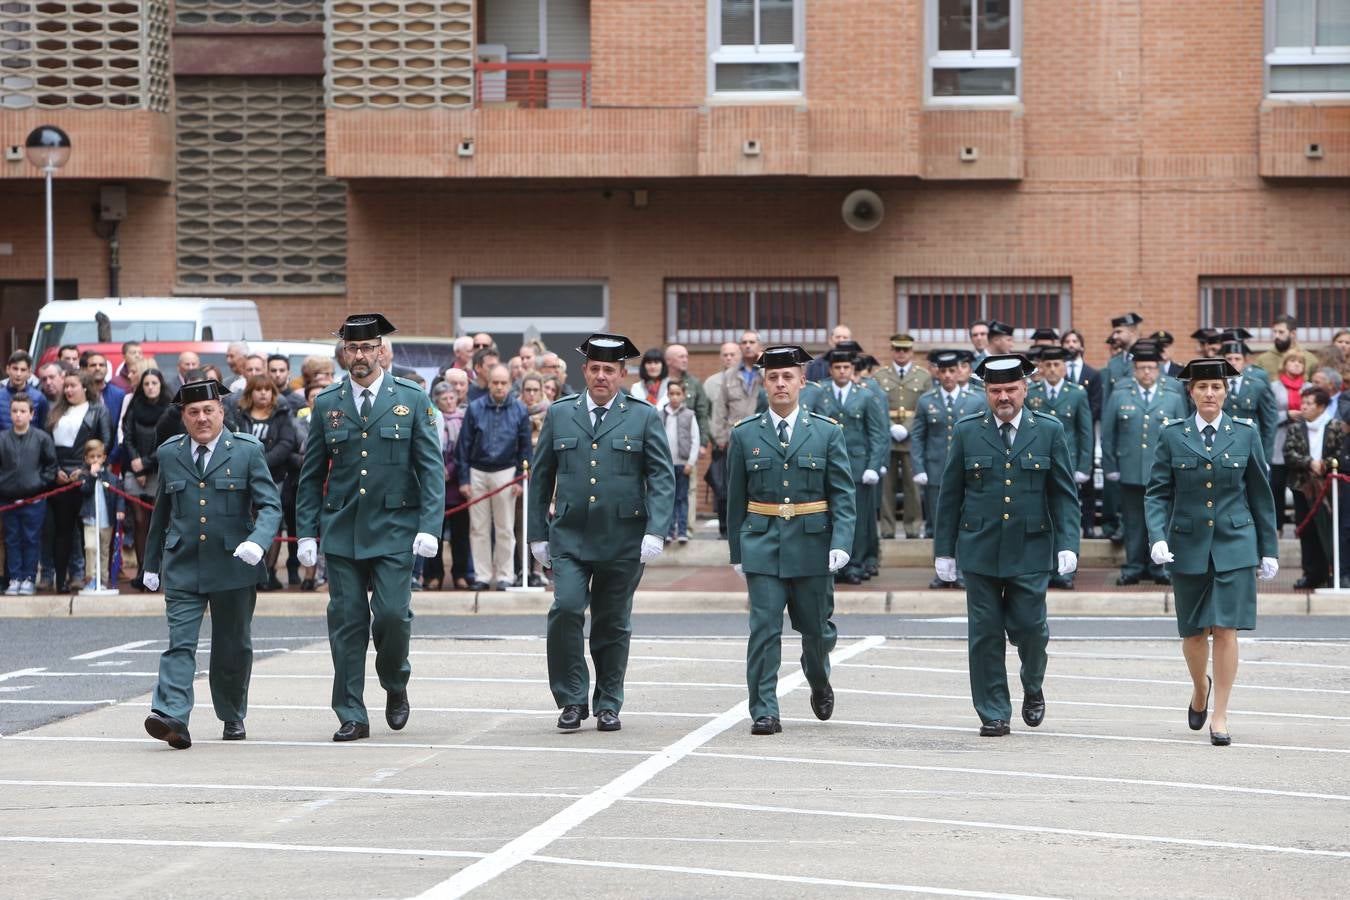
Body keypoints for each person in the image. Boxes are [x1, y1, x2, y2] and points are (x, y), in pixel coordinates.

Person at [295, 313, 444, 743]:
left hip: (396, 528)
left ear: (382, 350)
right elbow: (310, 476)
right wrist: (306, 532)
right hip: (343, 530)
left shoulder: (412, 399)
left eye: (367, 348)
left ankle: (395, 682)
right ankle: (351, 712)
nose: (359, 356)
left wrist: (430, 526)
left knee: (394, 617)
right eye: (351, 348)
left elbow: (430, 469)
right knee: (347, 622)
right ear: (343, 352)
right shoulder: (327, 403)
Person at [528, 333, 674, 733]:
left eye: (610, 370)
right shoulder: (561, 414)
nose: (602, 376)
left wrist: (656, 530)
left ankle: (608, 702)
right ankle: (572, 699)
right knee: (566, 610)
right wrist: (537, 534)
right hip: (571, 537)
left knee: (612, 623)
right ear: (584, 371)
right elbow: (541, 478)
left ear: (622, 373)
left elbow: (662, 477)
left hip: (623, 539)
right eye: (595, 369)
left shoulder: (643, 416)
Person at [934, 354, 1079, 737]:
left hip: (1031, 548)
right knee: (984, 634)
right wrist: (944, 550)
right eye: (996, 390)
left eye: (1010, 389)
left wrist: (1068, 543)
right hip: (980, 547)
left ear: (1025, 389)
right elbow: (950, 495)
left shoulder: (1048, 430)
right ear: (985, 391)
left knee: (1032, 628)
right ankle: (994, 711)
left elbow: (1064, 494)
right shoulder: (967, 431)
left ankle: (1033, 685)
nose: (1003, 397)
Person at [140, 379, 283, 749]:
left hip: (235, 564)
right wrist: (151, 562)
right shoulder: (171, 453)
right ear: (183, 418)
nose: (201, 418)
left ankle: (232, 713)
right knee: (179, 644)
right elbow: (162, 511)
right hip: (183, 563)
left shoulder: (247, 451)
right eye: (193, 413)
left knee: (232, 646)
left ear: (222, 412)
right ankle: (172, 716)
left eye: (208, 411)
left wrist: (258, 541)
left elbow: (270, 505)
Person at [1145, 358, 1279, 747]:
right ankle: (1199, 689)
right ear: (1190, 392)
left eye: (1216, 387)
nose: (1209, 393)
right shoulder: (1172, 435)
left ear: (1226, 392)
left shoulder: (1244, 434)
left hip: (1235, 543)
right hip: (1186, 544)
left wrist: (1267, 548)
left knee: (1225, 628)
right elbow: (1157, 492)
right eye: (1202, 387)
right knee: (1192, 634)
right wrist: (1157, 536)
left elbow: (1260, 494)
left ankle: (1220, 714)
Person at [726, 346, 856, 735]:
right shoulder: (745, 434)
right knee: (764, 629)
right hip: (762, 544)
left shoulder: (827, 432)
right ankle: (764, 709)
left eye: (787, 377)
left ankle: (818, 678)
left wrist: (842, 541)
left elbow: (843, 495)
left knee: (816, 630)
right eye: (773, 378)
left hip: (813, 545)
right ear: (764, 384)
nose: (780, 384)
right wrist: (737, 550)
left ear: (802, 382)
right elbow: (735, 500)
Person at [1102, 344, 1188, 585]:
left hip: (1162, 473)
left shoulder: (1172, 396)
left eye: (1151, 368)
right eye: (1142, 368)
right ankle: (1133, 566)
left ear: (1159, 370)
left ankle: (1159, 567)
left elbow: (1181, 434)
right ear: (1134, 370)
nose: (1147, 373)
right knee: (1132, 522)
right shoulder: (1120, 394)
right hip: (1130, 470)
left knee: (1161, 520)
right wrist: (1111, 468)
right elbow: (1109, 434)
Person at [812, 345, 887, 586]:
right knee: (830, 516)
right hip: (826, 464)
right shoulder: (820, 394)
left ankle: (855, 564)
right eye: (837, 367)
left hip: (857, 465)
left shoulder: (865, 395)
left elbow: (877, 434)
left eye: (846, 367)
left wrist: (874, 466)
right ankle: (833, 564)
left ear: (853, 369)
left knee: (859, 519)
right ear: (830, 369)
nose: (842, 371)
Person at [910, 350, 985, 575]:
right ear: (937, 373)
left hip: (967, 472)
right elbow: (918, 436)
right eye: (943, 371)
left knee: (965, 521)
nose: (948, 376)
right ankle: (941, 572)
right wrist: (919, 467)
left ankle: (963, 570)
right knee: (940, 523)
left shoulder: (976, 399)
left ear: (959, 371)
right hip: (936, 471)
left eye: (952, 370)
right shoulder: (926, 401)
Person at [457, 364, 531, 590]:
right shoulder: (475, 408)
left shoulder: (520, 410)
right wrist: (464, 479)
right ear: (489, 383)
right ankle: (482, 576)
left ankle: (505, 576)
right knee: (478, 528)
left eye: (503, 383)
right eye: (495, 382)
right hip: (477, 472)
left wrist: (520, 477)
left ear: (510, 384)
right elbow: (464, 445)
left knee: (505, 528)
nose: (499, 387)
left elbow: (525, 449)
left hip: (506, 473)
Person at [48, 371, 111, 593]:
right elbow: (48, 444)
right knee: (62, 532)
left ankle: (93, 580)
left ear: (85, 387)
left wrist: (84, 470)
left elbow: (106, 443)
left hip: (86, 479)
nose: (68, 390)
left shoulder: (98, 410)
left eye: (73, 385)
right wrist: (55, 470)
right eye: (66, 386)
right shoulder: (56, 410)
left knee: (89, 534)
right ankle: (60, 581)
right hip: (60, 479)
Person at [236, 374, 299, 591]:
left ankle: (267, 571)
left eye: (267, 389)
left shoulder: (281, 415)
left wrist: (261, 463)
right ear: (250, 393)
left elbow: (287, 443)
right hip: (243, 478)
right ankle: (247, 570)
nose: (263, 393)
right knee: (246, 520)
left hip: (275, 476)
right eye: (258, 389)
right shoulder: (240, 415)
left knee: (272, 522)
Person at [874, 333, 932, 541]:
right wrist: (890, 427)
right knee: (886, 488)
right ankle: (888, 528)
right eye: (897, 349)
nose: (901, 353)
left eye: (905, 350)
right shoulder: (880, 376)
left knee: (912, 485)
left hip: (911, 437)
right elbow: (877, 406)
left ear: (912, 352)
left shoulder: (923, 377)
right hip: (888, 437)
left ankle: (913, 527)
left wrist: (907, 426)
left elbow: (925, 406)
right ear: (892, 351)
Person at [1283, 386, 1343, 590]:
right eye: (1303, 403)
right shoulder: (1295, 428)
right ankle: (1311, 573)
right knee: (1306, 530)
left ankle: (1333, 572)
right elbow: (1289, 453)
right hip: (1303, 486)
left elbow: (1340, 452)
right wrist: (1310, 462)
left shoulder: (1335, 426)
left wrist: (1325, 464)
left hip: (1329, 486)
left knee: (1329, 529)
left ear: (1321, 406)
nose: (1304, 407)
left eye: (1309, 403)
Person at [0, 393, 57, 596]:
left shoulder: (42, 438)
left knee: (31, 539)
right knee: (12, 539)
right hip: (8, 499)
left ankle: (29, 577)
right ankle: (14, 577)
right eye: (14, 411)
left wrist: (39, 484)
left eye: (23, 411)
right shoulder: (3, 438)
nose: (18, 415)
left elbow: (51, 466)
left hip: (34, 499)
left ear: (32, 414)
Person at [120, 368, 170, 591]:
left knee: (156, 522)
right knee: (140, 522)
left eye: (154, 383)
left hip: (158, 469)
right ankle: (142, 570)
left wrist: (147, 464)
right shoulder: (134, 406)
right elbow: (127, 435)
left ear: (160, 385)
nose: (150, 387)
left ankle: (155, 570)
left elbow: (169, 440)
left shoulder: (169, 408)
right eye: (147, 383)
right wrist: (136, 464)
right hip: (135, 468)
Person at [425, 381, 470, 591]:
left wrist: (450, 469)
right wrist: (438, 469)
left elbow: (465, 449)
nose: (449, 402)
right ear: (437, 401)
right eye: (444, 399)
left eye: (452, 397)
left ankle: (460, 574)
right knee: (436, 533)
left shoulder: (464, 419)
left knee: (460, 535)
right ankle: (435, 575)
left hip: (457, 483)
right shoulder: (432, 418)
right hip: (437, 485)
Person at [703, 341, 742, 536]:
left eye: (732, 354)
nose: (728, 358)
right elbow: (706, 414)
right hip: (721, 445)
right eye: (725, 354)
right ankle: (724, 529)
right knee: (722, 486)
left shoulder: (748, 380)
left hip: (743, 443)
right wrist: (716, 436)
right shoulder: (711, 383)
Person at [1269, 350, 1309, 534]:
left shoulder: (1308, 387)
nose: (1296, 364)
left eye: (1300, 362)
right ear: (1284, 364)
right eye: (1292, 361)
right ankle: (1277, 527)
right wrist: (1287, 415)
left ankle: (1302, 527)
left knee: (1299, 489)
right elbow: (1268, 415)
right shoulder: (1274, 387)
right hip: (1279, 442)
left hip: (1301, 445)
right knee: (1276, 486)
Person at [1220, 339, 1278, 460]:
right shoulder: (1215, 386)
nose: (1233, 362)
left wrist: (1265, 458)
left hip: (1250, 449)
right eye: (1229, 359)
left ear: (1245, 361)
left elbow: (1269, 424)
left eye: (1237, 359)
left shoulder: (1257, 386)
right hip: (1221, 448)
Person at [78, 439, 122, 589]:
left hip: (106, 520)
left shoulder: (112, 478)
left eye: (98, 456)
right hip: (90, 519)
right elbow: (85, 491)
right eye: (92, 457)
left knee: (104, 550)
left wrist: (120, 510)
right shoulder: (84, 476)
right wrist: (91, 475)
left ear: (104, 457)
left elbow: (119, 494)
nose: (95, 460)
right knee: (90, 547)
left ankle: (103, 580)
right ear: (86, 458)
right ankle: (91, 578)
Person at [661, 379, 700, 543]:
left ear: (683, 395)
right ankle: (669, 532)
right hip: (666, 465)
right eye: (672, 394)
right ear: (667, 395)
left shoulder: (689, 415)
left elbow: (695, 439)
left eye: (678, 394)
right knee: (668, 499)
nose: (675, 397)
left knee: (682, 498)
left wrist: (690, 462)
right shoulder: (660, 414)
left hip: (683, 464)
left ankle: (682, 531)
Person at [82, 352, 125, 455]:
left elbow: (120, 428)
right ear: (85, 369)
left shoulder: (119, 394)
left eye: (102, 365)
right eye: (93, 365)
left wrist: (111, 458)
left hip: (112, 457)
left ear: (107, 369)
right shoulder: (80, 394)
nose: (98, 368)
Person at [1255, 314, 1320, 380]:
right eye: (1275, 332)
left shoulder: (1310, 359)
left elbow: (1316, 388)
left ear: (1293, 334)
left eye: (1281, 332)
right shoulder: (1262, 360)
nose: (1276, 336)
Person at [0, 351, 50, 432]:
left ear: (29, 373)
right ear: (8, 369)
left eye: (23, 370)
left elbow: (44, 432)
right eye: (15, 369)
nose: (18, 374)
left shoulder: (39, 398)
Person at [1104, 312, 1144, 399]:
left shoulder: (1148, 357)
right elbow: (1107, 395)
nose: (1114, 337)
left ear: (1132, 332)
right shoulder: (1113, 362)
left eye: (1118, 332)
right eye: (1114, 333)